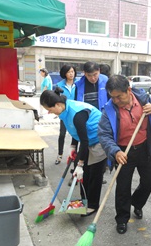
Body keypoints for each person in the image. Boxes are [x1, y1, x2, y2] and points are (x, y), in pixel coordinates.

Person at [98, 74, 151, 234]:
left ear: (128, 90)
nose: (115, 101)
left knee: (148, 183)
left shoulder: (143, 99)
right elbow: (104, 135)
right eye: (112, 97)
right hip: (123, 151)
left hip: (145, 148)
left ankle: (137, 203)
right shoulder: (109, 110)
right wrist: (115, 151)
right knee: (122, 188)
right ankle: (122, 219)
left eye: (119, 97)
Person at [40, 87, 107, 217]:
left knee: (94, 175)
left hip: (99, 140)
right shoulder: (64, 111)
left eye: (49, 109)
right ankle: (84, 201)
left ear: (58, 104)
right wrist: (72, 147)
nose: (49, 113)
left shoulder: (77, 113)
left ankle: (93, 205)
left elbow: (85, 140)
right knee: (84, 176)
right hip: (86, 140)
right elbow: (76, 131)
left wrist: (80, 165)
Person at [70, 61, 109, 185]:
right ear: (84, 74)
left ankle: (98, 175)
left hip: (102, 122)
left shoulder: (105, 82)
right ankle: (77, 175)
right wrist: (73, 143)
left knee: (101, 151)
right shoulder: (78, 86)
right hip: (85, 122)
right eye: (90, 75)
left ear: (99, 71)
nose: (93, 78)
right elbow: (74, 107)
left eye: (95, 74)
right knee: (84, 149)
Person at [54, 64, 78, 165]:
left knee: (75, 136)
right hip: (64, 113)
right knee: (62, 134)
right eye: (69, 72)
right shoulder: (59, 85)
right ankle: (59, 155)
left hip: (75, 113)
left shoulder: (78, 84)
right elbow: (55, 100)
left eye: (72, 71)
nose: (71, 74)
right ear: (65, 74)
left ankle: (73, 155)